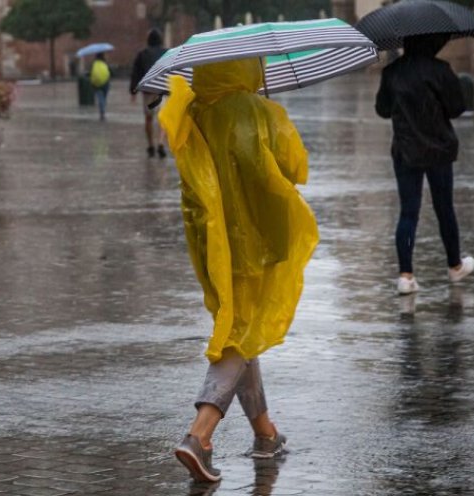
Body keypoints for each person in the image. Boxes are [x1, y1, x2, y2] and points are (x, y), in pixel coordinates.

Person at [158, 58, 318, 483]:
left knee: (240, 330)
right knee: (238, 334)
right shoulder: (259, 112)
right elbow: (294, 167)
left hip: (211, 246)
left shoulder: (193, 112)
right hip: (256, 243)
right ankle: (199, 436)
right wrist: (265, 115)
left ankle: (265, 434)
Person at [375, 34, 474, 295]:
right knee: (444, 208)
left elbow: (382, 110)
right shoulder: (440, 70)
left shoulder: (392, 72)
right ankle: (455, 266)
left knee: (408, 212)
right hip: (438, 149)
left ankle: (406, 275)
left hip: (406, 149)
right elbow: (457, 108)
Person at [130, 29, 169, 158]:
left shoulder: (142, 54)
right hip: (162, 90)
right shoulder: (166, 53)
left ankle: (150, 145)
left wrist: (133, 91)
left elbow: (136, 73)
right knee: (162, 118)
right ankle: (161, 142)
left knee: (148, 118)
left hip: (148, 90)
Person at [89, 53, 111, 121]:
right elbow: (109, 72)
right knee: (104, 98)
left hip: (97, 84)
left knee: (100, 98)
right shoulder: (104, 63)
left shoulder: (94, 64)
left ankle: (102, 112)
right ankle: (103, 110)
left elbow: (91, 73)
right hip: (105, 83)